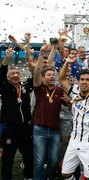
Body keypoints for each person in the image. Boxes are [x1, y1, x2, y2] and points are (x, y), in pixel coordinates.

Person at [59, 55, 89, 180]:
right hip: (74, 140)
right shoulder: (74, 92)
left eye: (87, 80)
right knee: (65, 174)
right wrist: (67, 62)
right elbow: (61, 79)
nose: (84, 82)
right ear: (79, 81)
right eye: (82, 79)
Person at [32, 45, 68, 180]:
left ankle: (48, 178)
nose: (52, 76)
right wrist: (41, 55)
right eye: (49, 75)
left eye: (53, 74)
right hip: (39, 129)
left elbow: (69, 106)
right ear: (43, 77)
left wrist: (69, 101)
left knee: (53, 161)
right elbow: (36, 72)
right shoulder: (39, 88)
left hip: (54, 130)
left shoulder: (59, 90)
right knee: (39, 161)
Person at [0, 47, 33, 180]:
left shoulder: (25, 86)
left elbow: (35, 76)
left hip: (25, 127)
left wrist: (32, 63)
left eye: (17, 73)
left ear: (20, 75)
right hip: (10, 128)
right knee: (8, 158)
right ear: (8, 77)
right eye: (12, 73)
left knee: (29, 156)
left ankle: (28, 176)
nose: (15, 75)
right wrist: (7, 58)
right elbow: (1, 73)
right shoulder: (4, 86)